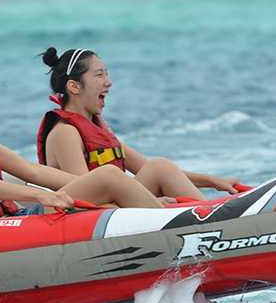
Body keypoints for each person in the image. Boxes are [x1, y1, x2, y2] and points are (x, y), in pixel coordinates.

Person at [0, 46, 163, 221]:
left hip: (15, 219)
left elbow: (31, 171)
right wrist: (40, 195)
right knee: (108, 177)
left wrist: (81, 186)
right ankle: (174, 228)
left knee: (110, 185)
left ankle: (174, 222)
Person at [37, 47, 239, 201]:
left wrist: (212, 181)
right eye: (99, 75)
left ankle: (208, 215)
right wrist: (150, 204)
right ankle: (212, 222)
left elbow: (156, 171)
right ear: (74, 86)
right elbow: (83, 197)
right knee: (159, 166)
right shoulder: (65, 133)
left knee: (160, 166)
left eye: (107, 74)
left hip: (117, 203)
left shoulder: (96, 129)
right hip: (87, 219)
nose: (108, 82)